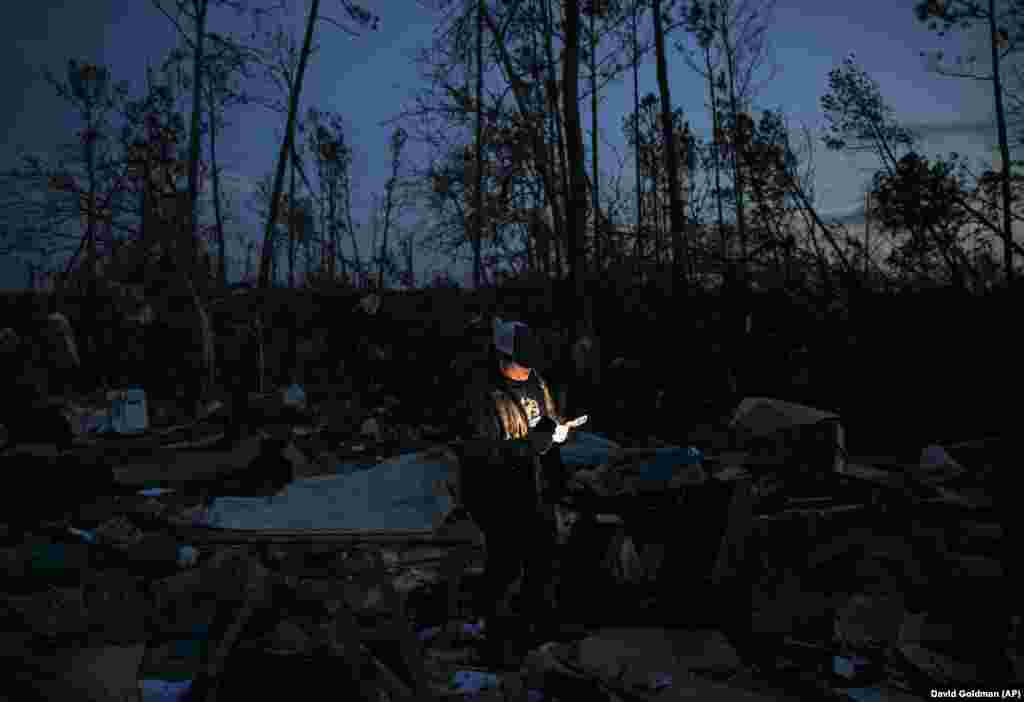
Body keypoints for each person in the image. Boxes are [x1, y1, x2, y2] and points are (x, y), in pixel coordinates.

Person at [453, 317, 577, 666]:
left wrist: (556, 447)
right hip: (497, 493)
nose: (525, 370)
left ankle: (535, 630)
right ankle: (496, 640)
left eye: (528, 363)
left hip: (535, 486)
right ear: (502, 358)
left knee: (544, 558)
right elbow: (481, 450)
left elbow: (549, 422)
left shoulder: (536, 381)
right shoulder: (482, 393)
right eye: (519, 364)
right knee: (505, 563)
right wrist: (528, 447)